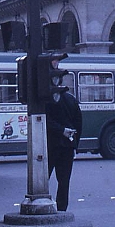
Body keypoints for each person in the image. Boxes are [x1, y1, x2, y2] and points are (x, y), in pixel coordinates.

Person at [45, 77, 83, 212]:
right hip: (68, 145)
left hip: (51, 144)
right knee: (64, 180)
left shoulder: (47, 100)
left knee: (44, 177)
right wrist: (75, 145)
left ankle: (42, 201)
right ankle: (62, 208)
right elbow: (78, 123)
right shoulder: (71, 99)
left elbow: (46, 121)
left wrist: (61, 130)